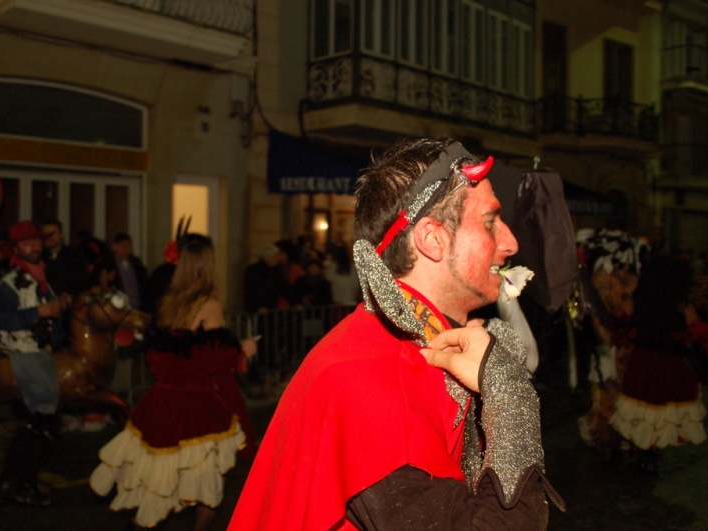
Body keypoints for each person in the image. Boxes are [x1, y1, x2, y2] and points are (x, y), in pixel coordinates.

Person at [229, 139, 563, 530]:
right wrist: (512, 400)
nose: (510, 242)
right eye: (490, 221)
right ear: (433, 239)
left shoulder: (410, 342)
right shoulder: (370, 378)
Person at [90, 233, 258, 531]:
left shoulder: (168, 303)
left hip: (162, 401)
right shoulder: (209, 305)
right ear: (207, 266)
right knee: (208, 483)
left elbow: (165, 358)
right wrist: (241, 352)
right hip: (197, 407)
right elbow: (207, 362)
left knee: (158, 477)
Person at [0, 220, 71, 506]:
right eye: (27, 243)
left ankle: (17, 482)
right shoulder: (9, 283)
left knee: (42, 422)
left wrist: (58, 308)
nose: (34, 247)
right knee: (41, 422)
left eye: (36, 242)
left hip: (41, 354)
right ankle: (17, 483)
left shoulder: (39, 280)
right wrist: (40, 311)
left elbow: (49, 318)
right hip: (24, 354)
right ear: (16, 249)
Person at [610, 255, 708, 474]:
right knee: (659, 412)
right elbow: (690, 329)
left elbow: (630, 327)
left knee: (642, 411)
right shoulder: (677, 304)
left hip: (642, 361)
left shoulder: (641, 301)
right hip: (667, 361)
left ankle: (644, 453)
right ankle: (651, 452)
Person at [40, 220, 89, 300]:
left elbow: (83, 281)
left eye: (52, 234)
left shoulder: (74, 256)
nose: (49, 238)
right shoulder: (39, 258)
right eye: (46, 235)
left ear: (61, 234)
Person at [242, 243, 291, 314]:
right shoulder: (253, 270)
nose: (278, 258)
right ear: (267, 257)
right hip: (259, 311)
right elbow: (251, 290)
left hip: (272, 309)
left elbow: (285, 288)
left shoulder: (277, 271)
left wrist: (295, 302)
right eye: (275, 255)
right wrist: (257, 307)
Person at [110, 232, 151, 312]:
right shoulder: (109, 265)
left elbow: (144, 285)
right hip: (117, 310)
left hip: (137, 309)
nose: (125, 247)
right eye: (122, 245)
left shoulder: (136, 264)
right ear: (115, 246)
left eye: (128, 245)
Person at [324, 241, 361, 305]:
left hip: (337, 298)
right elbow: (355, 284)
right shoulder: (352, 268)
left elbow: (328, 278)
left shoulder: (333, 266)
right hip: (350, 299)